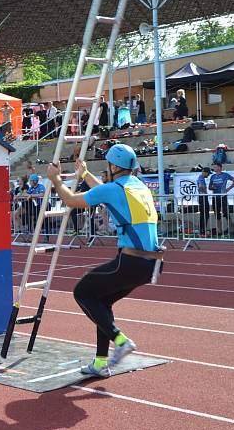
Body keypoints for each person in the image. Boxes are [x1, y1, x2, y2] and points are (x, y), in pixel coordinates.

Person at [46, 144, 163, 378]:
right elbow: (107, 193)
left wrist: (56, 180)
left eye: (108, 164)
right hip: (152, 265)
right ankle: (100, 364)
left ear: (114, 166)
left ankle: (120, 340)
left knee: (82, 292)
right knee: (102, 302)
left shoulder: (113, 189)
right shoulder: (138, 187)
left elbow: (70, 200)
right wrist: (85, 174)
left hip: (131, 262)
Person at [208, 162, 234, 235]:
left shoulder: (225, 175)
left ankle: (232, 230)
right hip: (215, 197)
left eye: (215, 167)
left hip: (223, 196)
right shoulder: (212, 176)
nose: (214, 168)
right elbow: (209, 187)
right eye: (214, 167)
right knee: (217, 214)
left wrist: (228, 189)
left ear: (219, 167)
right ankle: (219, 231)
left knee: (226, 213)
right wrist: (212, 187)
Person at [196, 167, 211, 237]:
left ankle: (202, 231)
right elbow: (200, 186)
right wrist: (205, 192)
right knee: (205, 214)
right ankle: (202, 231)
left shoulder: (201, 178)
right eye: (208, 174)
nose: (208, 176)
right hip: (203, 197)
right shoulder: (201, 178)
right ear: (205, 172)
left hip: (202, 197)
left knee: (204, 214)